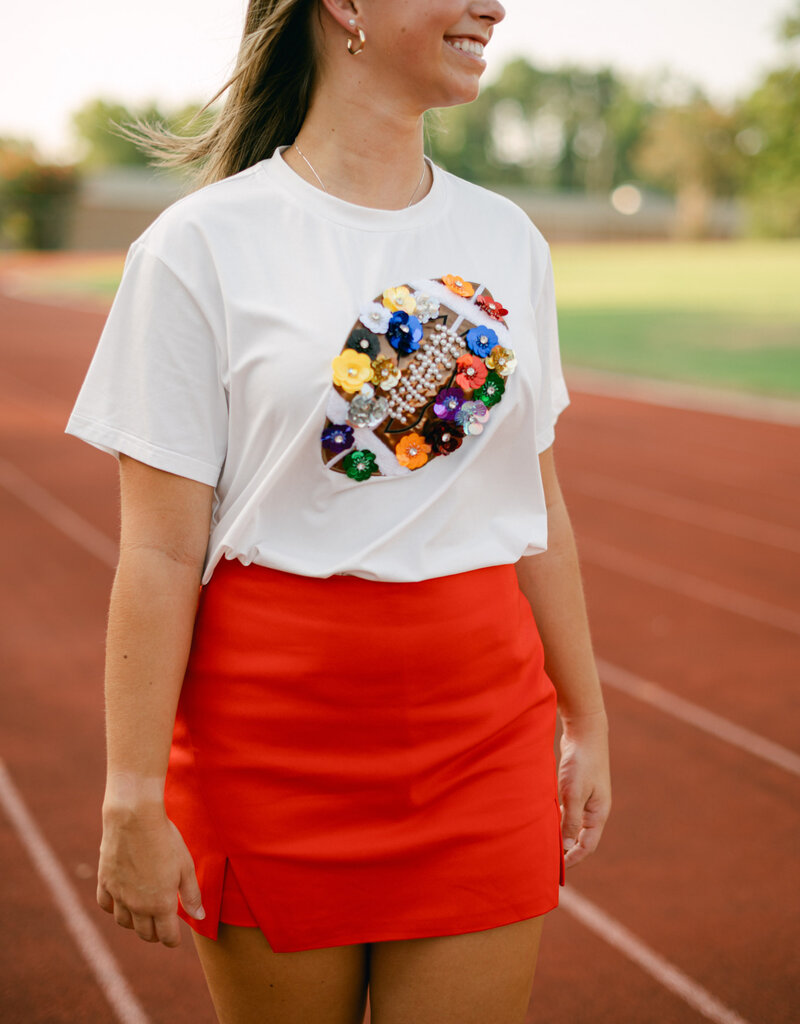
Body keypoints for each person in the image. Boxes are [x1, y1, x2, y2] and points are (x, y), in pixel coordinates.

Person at [65, 1, 612, 1021]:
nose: (493, 5)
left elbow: (534, 498)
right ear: (346, 6)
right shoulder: (197, 246)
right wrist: (130, 792)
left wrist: (586, 711)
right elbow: (155, 548)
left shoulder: (506, 238)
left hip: (481, 737)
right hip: (271, 746)